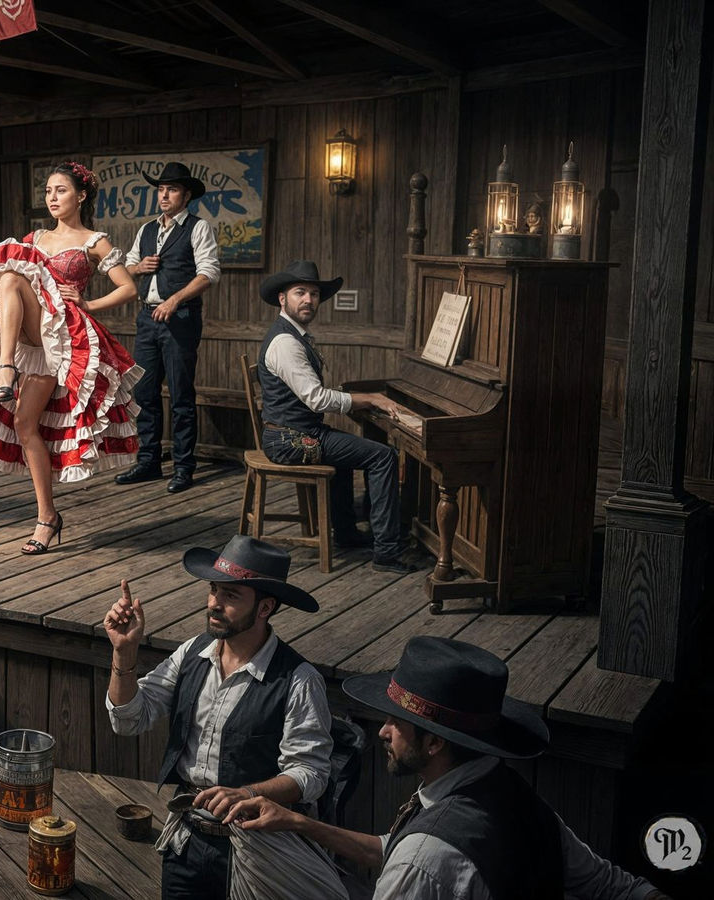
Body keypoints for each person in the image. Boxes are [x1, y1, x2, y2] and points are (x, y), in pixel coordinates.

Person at [225, 636, 670, 900]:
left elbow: (415, 857)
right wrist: (299, 823)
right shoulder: (515, 800)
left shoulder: (422, 864)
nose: (381, 732)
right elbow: (614, 886)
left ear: (434, 742)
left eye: (395, 723)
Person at [103, 535, 343, 899]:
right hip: (186, 838)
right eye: (214, 590)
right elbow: (129, 719)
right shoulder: (193, 652)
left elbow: (309, 774)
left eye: (231, 596)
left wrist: (247, 793)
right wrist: (124, 652)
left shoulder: (298, 680)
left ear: (265, 608)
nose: (214, 604)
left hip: (257, 848)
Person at [0, 161, 141, 554]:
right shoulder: (33, 238)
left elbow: (128, 288)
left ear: (81, 196)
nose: (52, 198)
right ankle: (47, 516)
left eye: (61, 190)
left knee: (25, 419)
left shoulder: (94, 240)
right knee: (23, 423)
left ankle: (6, 370)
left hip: (64, 336)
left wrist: (89, 302)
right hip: (32, 336)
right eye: (48, 191)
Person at [257, 261, 420, 573]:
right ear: (283, 298)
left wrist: (360, 399)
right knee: (384, 456)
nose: (308, 300)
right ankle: (387, 552)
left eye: (314, 294)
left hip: (291, 432)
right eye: (300, 292)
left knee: (347, 451)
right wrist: (370, 398)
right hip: (289, 440)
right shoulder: (286, 342)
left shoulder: (295, 335)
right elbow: (317, 399)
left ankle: (346, 534)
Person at [117, 162, 220, 493]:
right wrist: (138, 267)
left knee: (180, 395)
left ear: (186, 195)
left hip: (181, 318)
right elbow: (129, 266)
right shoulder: (146, 229)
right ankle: (148, 462)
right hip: (147, 319)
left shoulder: (197, 227)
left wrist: (174, 300)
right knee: (144, 392)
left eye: (171, 189)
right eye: (160, 189)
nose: (164, 195)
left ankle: (183, 467)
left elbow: (209, 272)